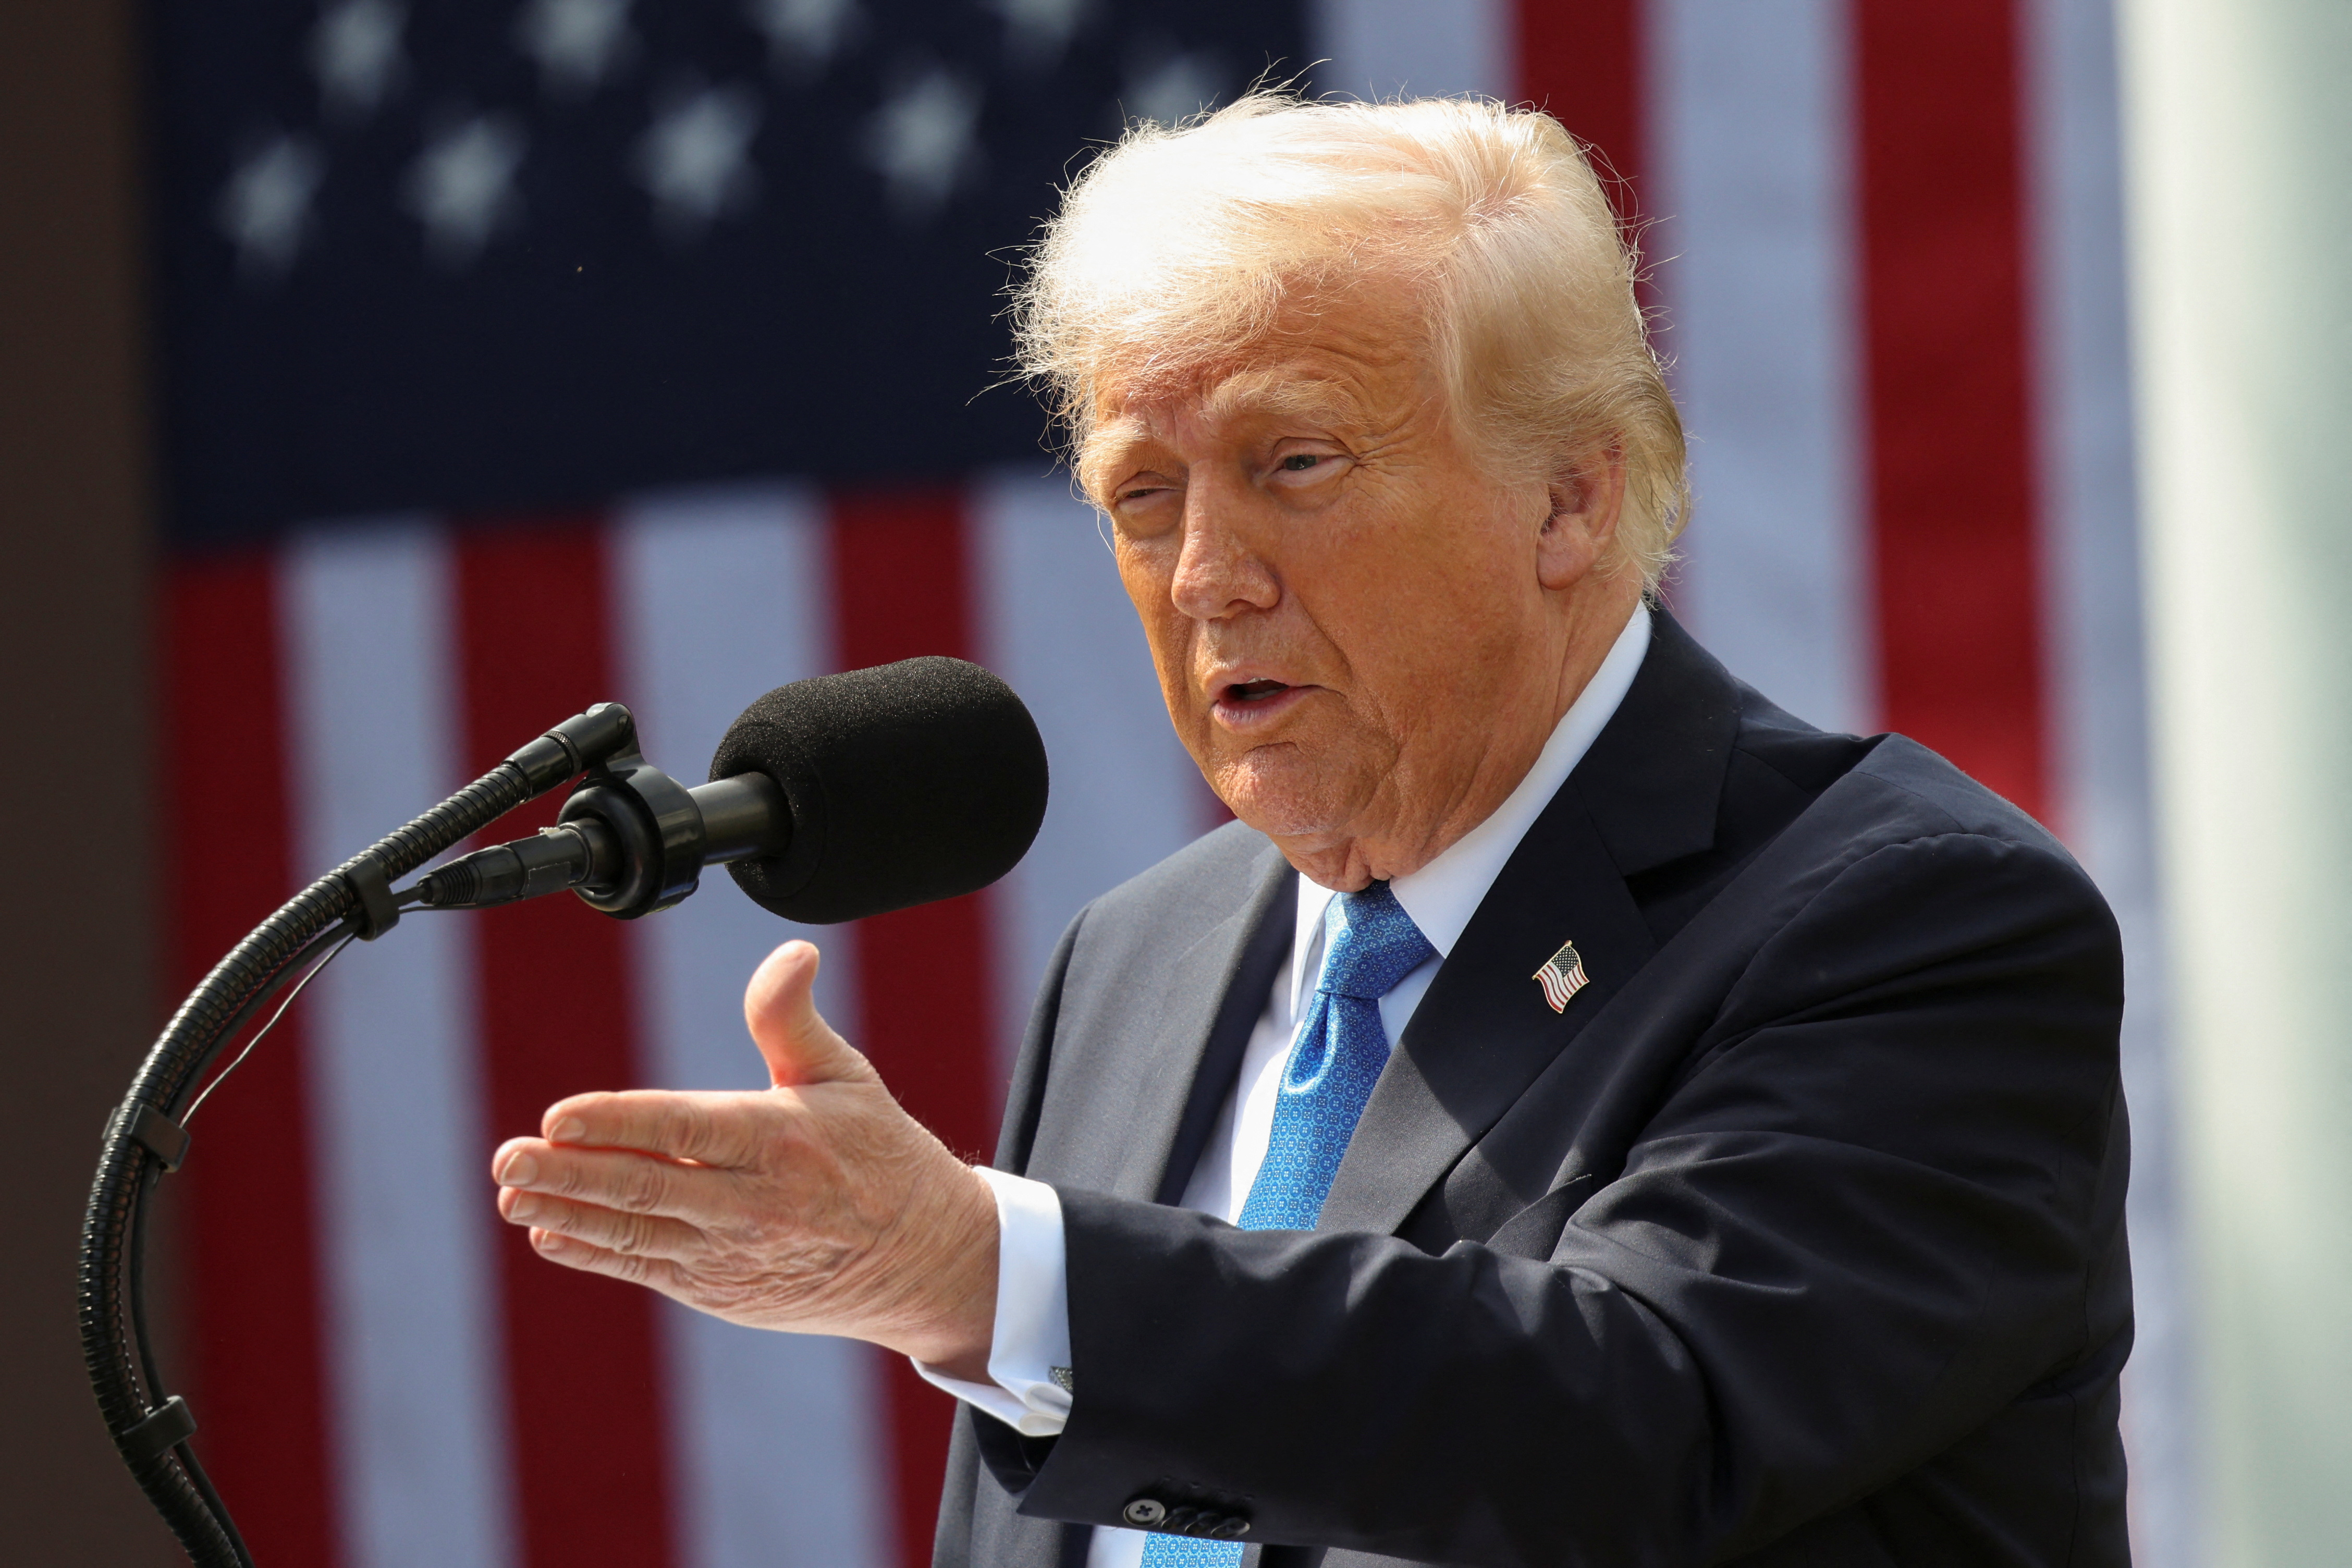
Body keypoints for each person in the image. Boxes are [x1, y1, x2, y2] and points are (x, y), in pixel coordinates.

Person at [487, 94, 2130, 1567]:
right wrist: (984, 1279)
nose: (1205, 574)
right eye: (1145, 495)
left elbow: (1635, 1424)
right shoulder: (1138, 964)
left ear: (1570, 493)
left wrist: (984, 1277)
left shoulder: (1909, 919)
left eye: (1296, 463)